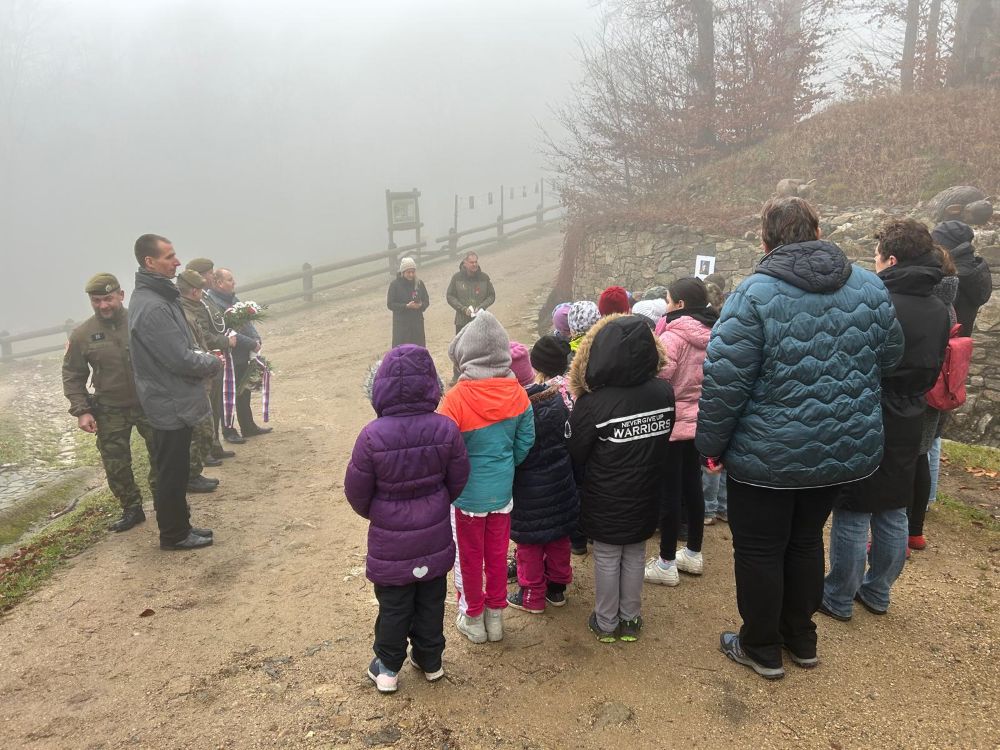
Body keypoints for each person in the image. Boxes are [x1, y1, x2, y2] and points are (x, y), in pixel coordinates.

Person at [697, 197, 903, 680]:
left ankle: (761, 646)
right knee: (806, 539)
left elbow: (725, 382)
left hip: (765, 453)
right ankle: (801, 637)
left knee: (760, 548)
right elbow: (891, 356)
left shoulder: (753, 294)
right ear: (818, 231)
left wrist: (710, 446)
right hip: (840, 447)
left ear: (765, 239)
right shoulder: (869, 286)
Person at [822, 219, 950, 622]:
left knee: (854, 506)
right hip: (911, 410)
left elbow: (850, 359)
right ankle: (878, 591)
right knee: (894, 505)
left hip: (867, 407)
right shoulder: (940, 307)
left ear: (891, 260)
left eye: (877, 257)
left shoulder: (875, 301)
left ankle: (839, 595)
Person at [344, 345, 470, 693]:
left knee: (394, 605)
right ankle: (431, 661)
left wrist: (380, 513)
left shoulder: (371, 436)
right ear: (431, 383)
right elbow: (459, 477)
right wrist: (437, 502)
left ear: (380, 385)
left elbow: (356, 490)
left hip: (391, 542)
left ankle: (387, 668)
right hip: (433, 536)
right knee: (431, 600)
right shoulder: (445, 429)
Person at [568, 314, 675, 643]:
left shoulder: (592, 403)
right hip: (648, 490)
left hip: (605, 495)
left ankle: (605, 622)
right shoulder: (664, 392)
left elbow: (576, 452)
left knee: (607, 555)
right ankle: (630, 619)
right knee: (635, 553)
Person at [438, 311, 535, 645]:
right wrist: (506, 464)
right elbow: (526, 440)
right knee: (496, 555)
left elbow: (445, 449)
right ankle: (495, 618)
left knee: (468, 558)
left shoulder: (455, 399)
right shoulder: (518, 393)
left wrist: (456, 478)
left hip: (467, 496)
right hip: (502, 492)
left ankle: (473, 617)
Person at [128, 234, 221, 550]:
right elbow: (179, 358)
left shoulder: (157, 297)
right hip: (168, 402)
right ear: (149, 262)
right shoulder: (153, 306)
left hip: (170, 398)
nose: (177, 262)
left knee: (176, 469)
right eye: (169, 257)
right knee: (171, 472)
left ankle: (181, 527)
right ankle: (174, 534)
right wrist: (211, 361)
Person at [62, 273, 157, 533]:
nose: (103, 305)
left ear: (121, 295)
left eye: (108, 299)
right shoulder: (82, 334)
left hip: (149, 403)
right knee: (116, 463)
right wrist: (82, 411)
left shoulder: (141, 320)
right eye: (97, 301)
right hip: (110, 408)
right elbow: (73, 375)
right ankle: (132, 508)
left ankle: (165, 500)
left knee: (162, 453)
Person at [645, 277, 717, 587]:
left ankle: (666, 562)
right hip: (699, 421)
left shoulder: (673, 337)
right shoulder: (714, 334)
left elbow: (661, 379)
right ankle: (693, 552)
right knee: (693, 487)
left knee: (670, 492)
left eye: (668, 299)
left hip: (672, 422)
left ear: (680, 304)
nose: (666, 304)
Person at [507, 341, 578, 613]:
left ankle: (532, 596)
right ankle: (557, 589)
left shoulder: (514, 411)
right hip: (561, 483)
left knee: (529, 544)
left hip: (528, 491)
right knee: (559, 538)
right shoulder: (557, 399)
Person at [908, 248, 958, 552]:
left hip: (918, 390)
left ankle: (902, 531)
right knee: (921, 457)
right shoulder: (948, 303)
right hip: (937, 389)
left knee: (909, 460)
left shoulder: (929, 303)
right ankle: (914, 531)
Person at [178, 269, 234, 493]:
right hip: (199, 370)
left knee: (213, 413)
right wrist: (220, 346)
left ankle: (210, 452)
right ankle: (193, 473)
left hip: (207, 365)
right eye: (201, 289)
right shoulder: (185, 312)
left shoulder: (197, 305)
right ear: (194, 291)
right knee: (200, 424)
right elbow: (197, 342)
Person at [207, 268, 272, 441]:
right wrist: (251, 343)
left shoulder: (233, 299)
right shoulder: (214, 303)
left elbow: (247, 323)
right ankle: (228, 431)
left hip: (244, 354)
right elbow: (228, 331)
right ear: (219, 283)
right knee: (228, 394)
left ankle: (248, 426)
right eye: (229, 280)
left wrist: (256, 338)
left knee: (244, 391)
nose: (234, 282)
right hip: (230, 356)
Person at [186, 257, 234, 461]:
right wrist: (225, 341)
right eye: (209, 274)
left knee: (216, 404)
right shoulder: (192, 302)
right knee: (206, 406)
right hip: (206, 357)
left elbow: (216, 323)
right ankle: (206, 450)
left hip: (215, 358)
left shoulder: (206, 297)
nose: (213, 277)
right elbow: (203, 334)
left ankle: (215, 444)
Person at [931, 221, 993, 337]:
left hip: (945, 341)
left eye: (935, 243)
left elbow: (938, 317)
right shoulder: (973, 268)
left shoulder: (954, 275)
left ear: (945, 244)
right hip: (960, 340)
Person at [386, 257, 430, 347]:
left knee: (418, 349)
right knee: (402, 351)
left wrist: (421, 305)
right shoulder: (395, 285)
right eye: (408, 272)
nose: (411, 274)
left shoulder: (419, 284)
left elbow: (426, 300)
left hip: (417, 324)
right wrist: (406, 306)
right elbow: (390, 304)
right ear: (402, 272)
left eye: (413, 272)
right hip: (401, 326)